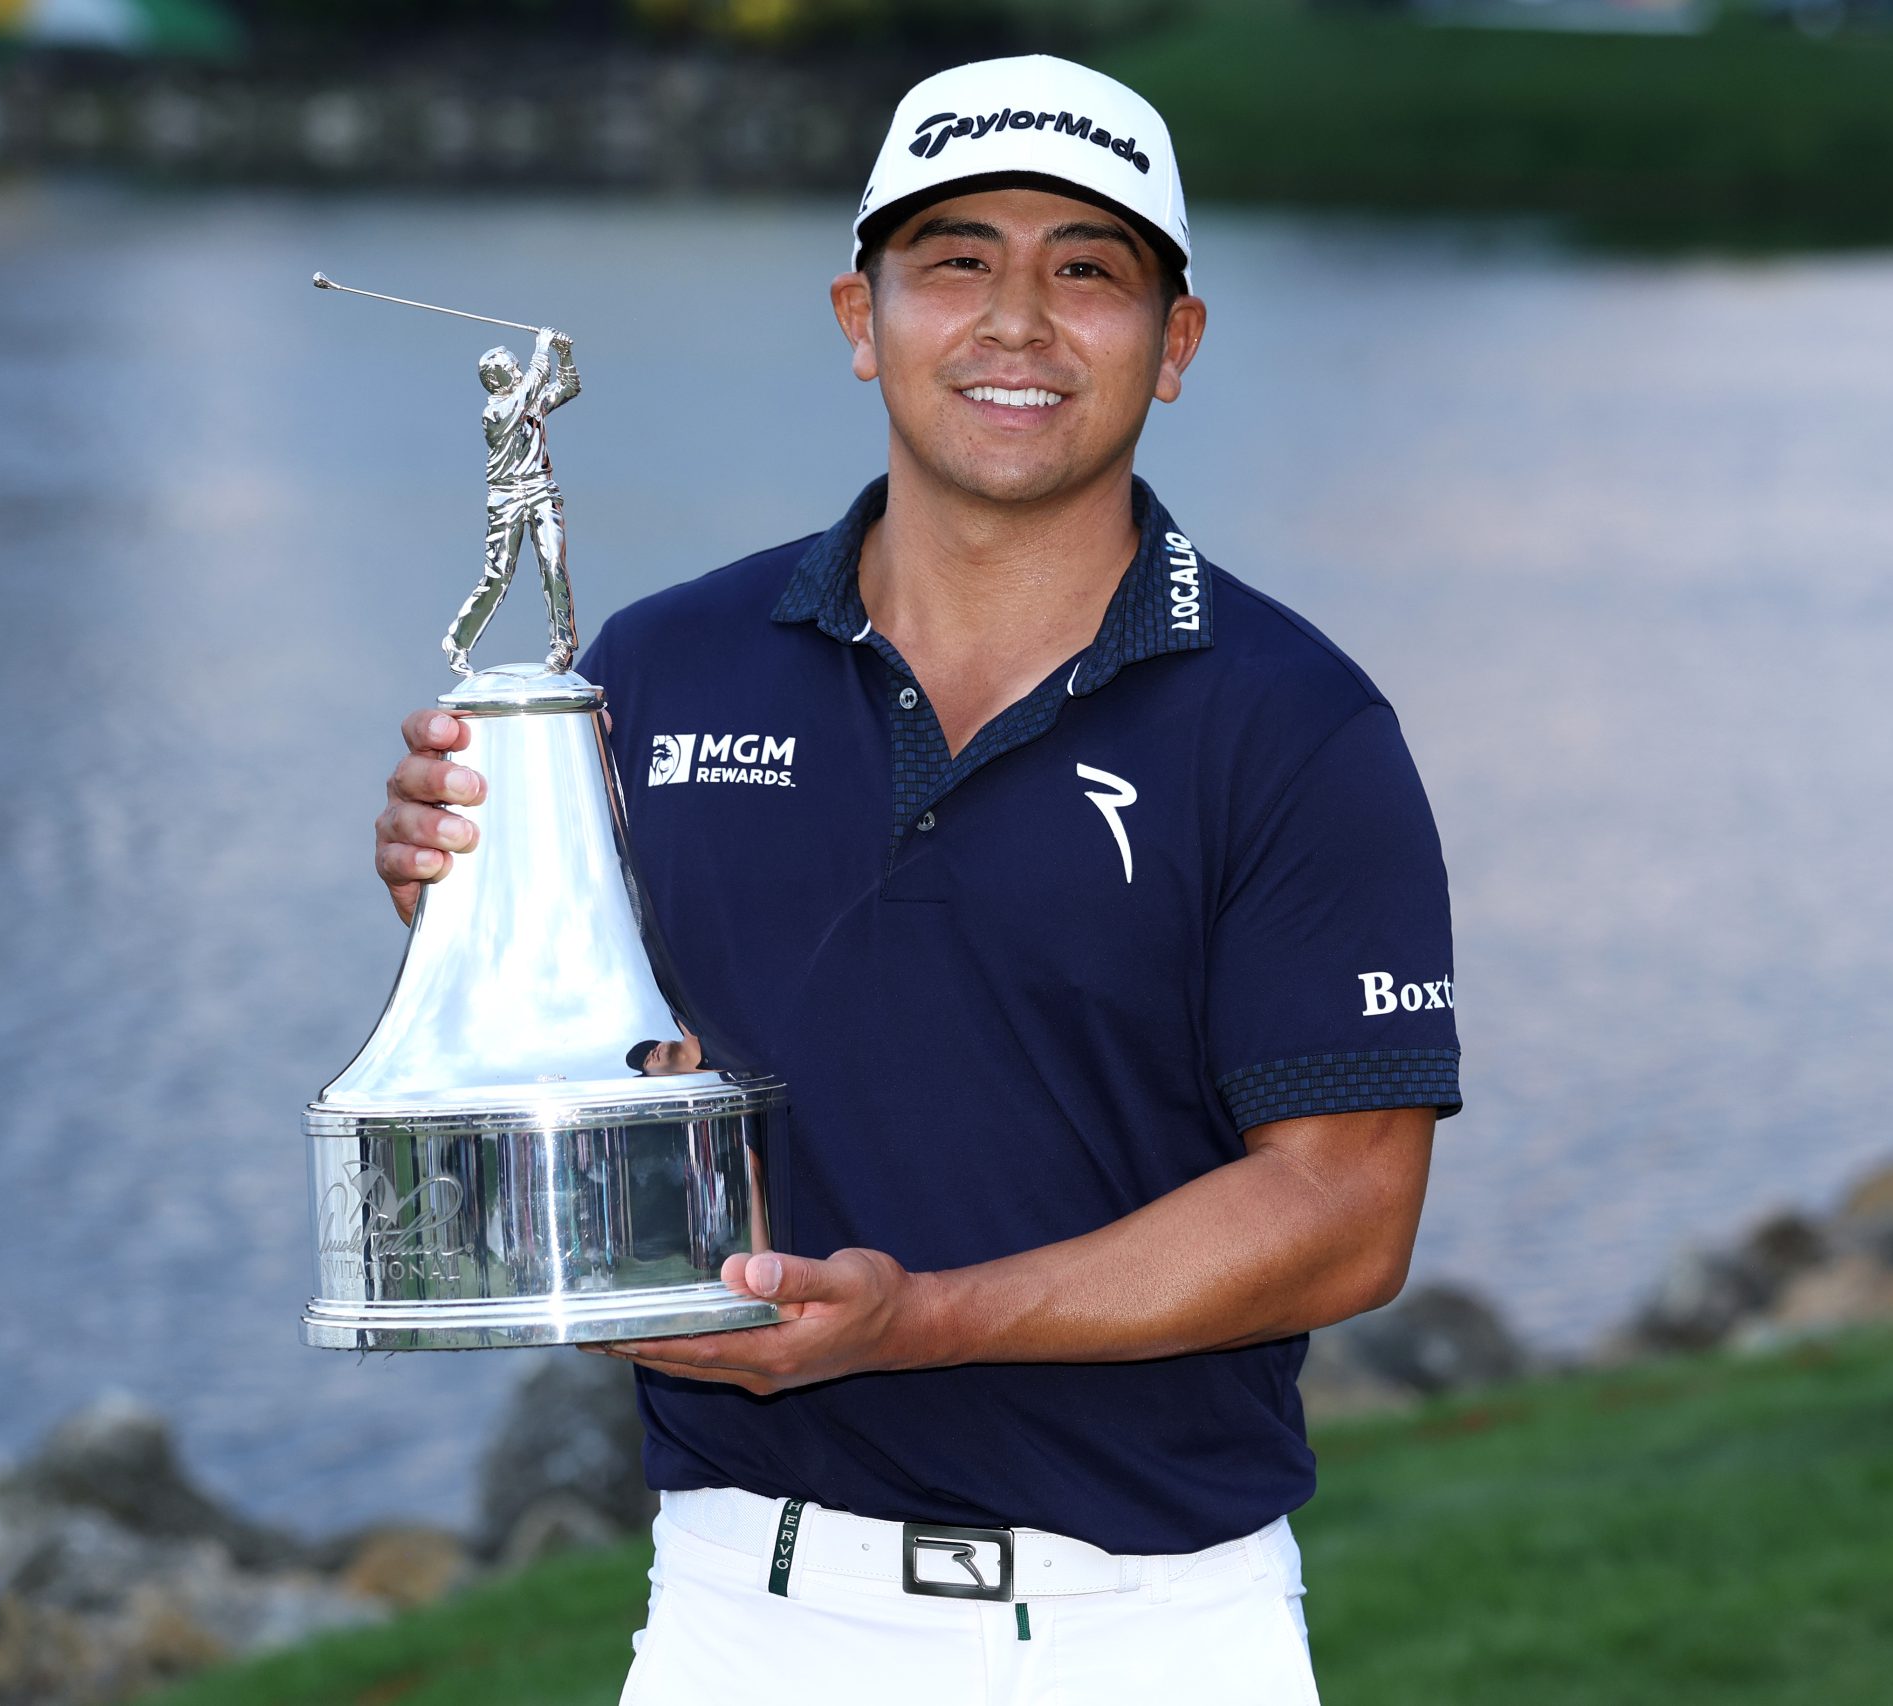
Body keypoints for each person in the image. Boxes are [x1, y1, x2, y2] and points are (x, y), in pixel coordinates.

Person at [373, 54, 1462, 1706]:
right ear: (857, 317)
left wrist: (917, 1319)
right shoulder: (656, 672)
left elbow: (1343, 1213)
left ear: (1175, 345)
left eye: (1088, 268)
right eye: (956, 258)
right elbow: (598, 1065)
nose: (1018, 320)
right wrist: (467, 922)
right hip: (740, 1611)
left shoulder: (1294, 722)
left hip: (1152, 1633)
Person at [446, 322, 581, 675]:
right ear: (497, 381)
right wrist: (542, 346)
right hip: (506, 496)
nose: (520, 372)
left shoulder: (530, 401)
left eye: (519, 367)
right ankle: (458, 641)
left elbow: (567, 387)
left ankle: (563, 645)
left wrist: (564, 354)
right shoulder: (496, 413)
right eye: (513, 369)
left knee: (554, 564)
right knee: (498, 575)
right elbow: (534, 383)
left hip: (540, 490)